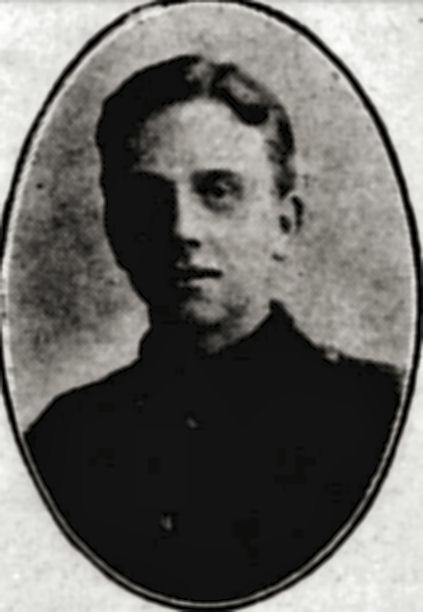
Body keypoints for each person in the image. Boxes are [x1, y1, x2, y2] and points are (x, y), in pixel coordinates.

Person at [25, 55, 403, 603]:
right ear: (116, 231)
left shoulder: (384, 418)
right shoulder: (64, 443)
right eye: (148, 200)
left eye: (219, 191)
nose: (182, 229)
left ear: (284, 223)